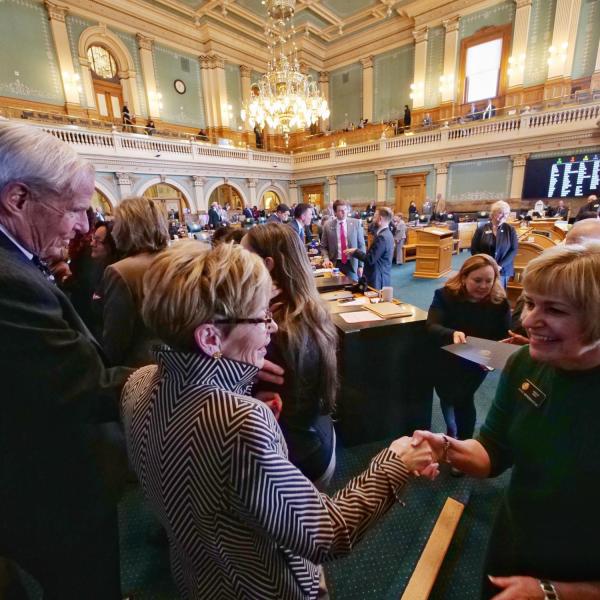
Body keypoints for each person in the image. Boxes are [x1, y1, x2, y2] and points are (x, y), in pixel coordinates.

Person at [121, 241, 437, 600]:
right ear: (210, 338)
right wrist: (396, 462)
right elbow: (329, 532)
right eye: (261, 317)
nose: (271, 328)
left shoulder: (139, 381)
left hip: (199, 577)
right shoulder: (239, 423)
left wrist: (239, 397)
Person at [414, 241, 600, 599]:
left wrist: (554, 593)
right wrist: (447, 448)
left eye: (554, 309)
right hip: (514, 541)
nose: (529, 321)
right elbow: (493, 451)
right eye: (529, 303)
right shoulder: (524, 363)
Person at [0, 121, 131, 599]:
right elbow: (84, 384)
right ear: (18, 199)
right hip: (50, 484)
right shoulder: (7, 279)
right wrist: (185, 373)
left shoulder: (18, 260)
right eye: (75, 210)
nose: (83, 226)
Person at [243, 224, 339, 485]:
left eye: (243, 257)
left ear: (267, 264)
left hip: (294, 458)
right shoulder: (307, 306)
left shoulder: (271, 329)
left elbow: (232, 403)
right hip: (318, 436)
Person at [426, 254, 510, 457]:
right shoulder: (445, 295)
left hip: (477, 362)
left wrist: (494, 356)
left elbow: (504, 336)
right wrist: (451, 334)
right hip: (446, 356)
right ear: (464, 277)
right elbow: (432, 326)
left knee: (464, 399)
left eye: (489, 281)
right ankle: (452, 430)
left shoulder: (499, 303)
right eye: (477, 280)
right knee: (446, 395)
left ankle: (462, 446)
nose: (484, 286)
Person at [102, 196, 170, 367]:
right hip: (179, 365)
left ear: (128, 227)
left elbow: (116, 337)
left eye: (116, 223)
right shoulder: (179, 261)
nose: (112, 230)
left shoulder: (121, 271)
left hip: (138, 370)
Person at [470, 200, 518, 287]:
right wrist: (486, 264)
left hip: (503, 270)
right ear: (493, 213)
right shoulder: (481, 229)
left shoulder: (510, 229)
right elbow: (474, 249)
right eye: (500, 213)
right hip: (483, 268)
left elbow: (513, 250)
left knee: (498, 296)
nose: (504, 216)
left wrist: (499, 265)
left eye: (506, 213)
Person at [345, 207, 394, 290]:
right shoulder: (387, 234)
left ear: (380, 219)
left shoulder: (382, 237)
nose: (373, 219)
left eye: (375, 216)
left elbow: (370, 259)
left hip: (377, 279)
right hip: (381, 276)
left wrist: (355, 251)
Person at [320, 199, 366, 281]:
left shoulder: (356, 223)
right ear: (335, 212)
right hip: (335, 262)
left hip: (351, 263)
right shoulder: (328, 225)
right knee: (335, 287)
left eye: (345, 209)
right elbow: (323, 246)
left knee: (352, 287)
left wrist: (360, 265)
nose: (344, 212)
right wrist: (326, 259)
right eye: (340, 210)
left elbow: (361, 245)